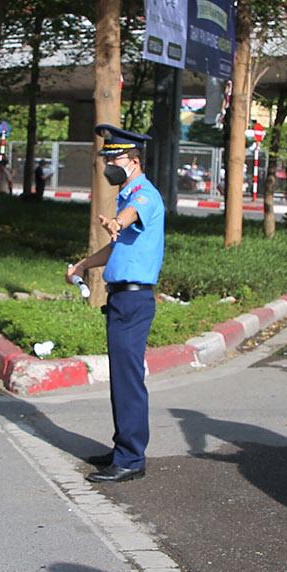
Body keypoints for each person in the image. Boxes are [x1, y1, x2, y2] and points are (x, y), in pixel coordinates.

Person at [65, 126, 166, 485]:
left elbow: (129, 219)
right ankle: (123, 448)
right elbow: (115, 246)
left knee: (128, 381)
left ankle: (131, 458)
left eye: (115, 158)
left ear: (134, 160)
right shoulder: (127, 195)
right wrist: (82, 266)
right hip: (122, 298)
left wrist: (116, 222)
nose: (109, 164)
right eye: (107, 158)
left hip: (134, 299)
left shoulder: (144, 195)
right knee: (121, 379)